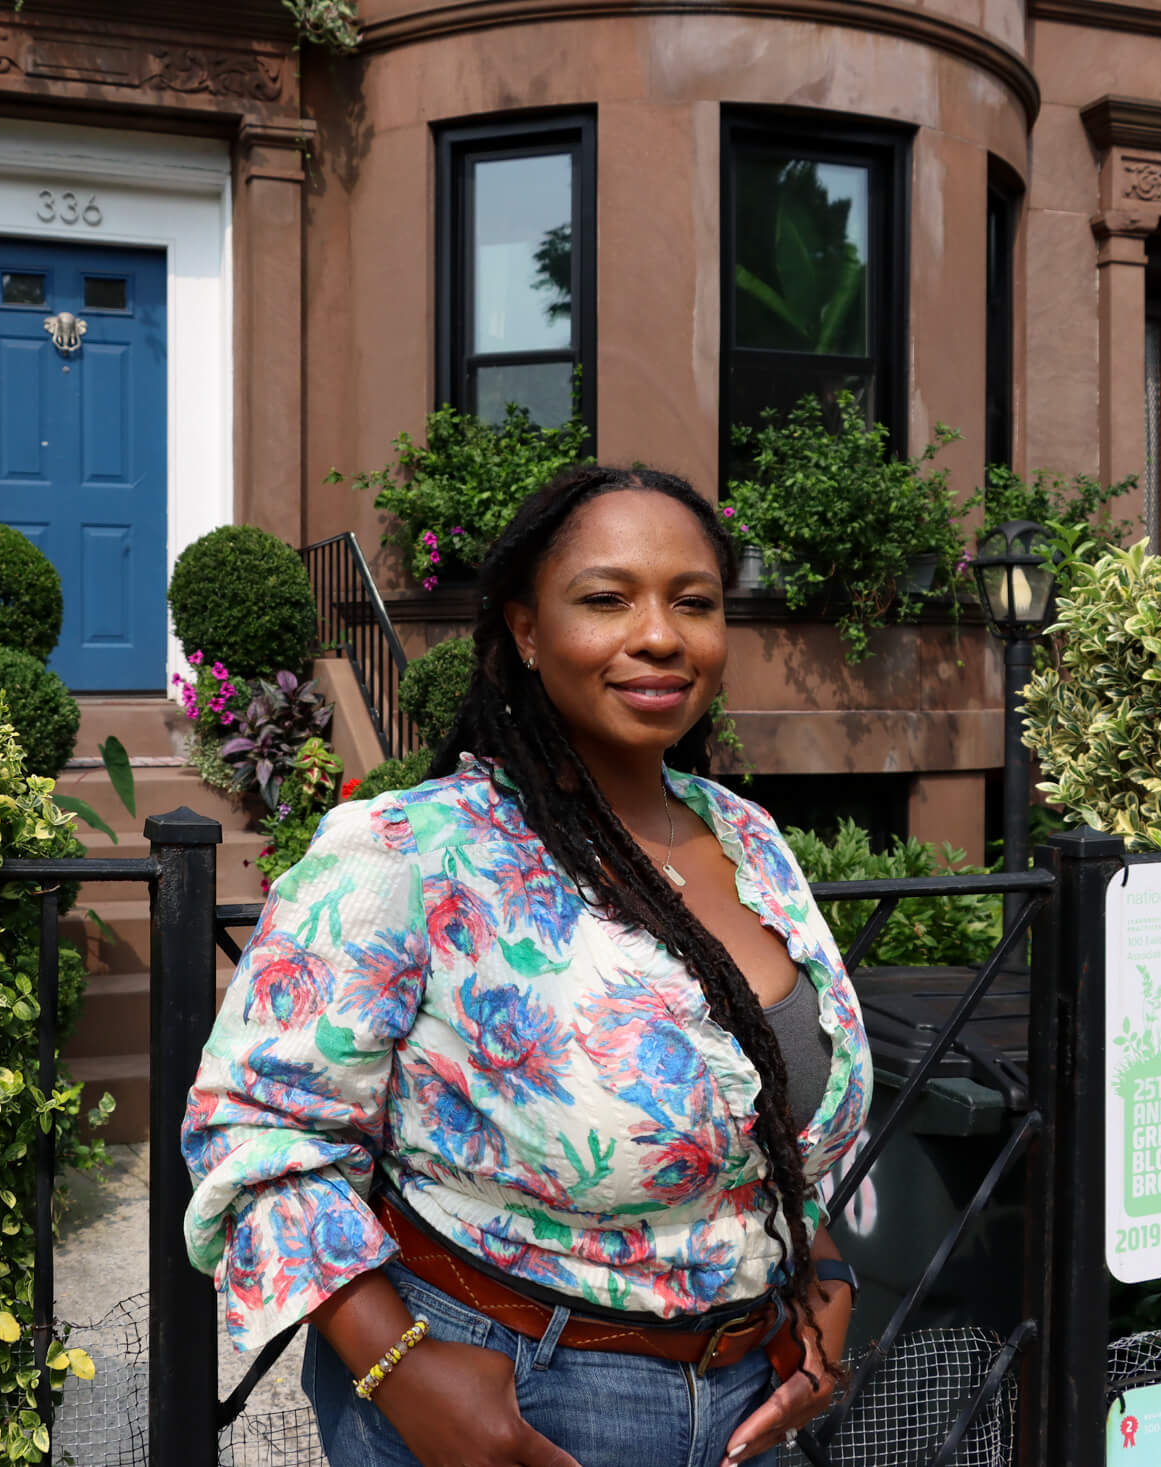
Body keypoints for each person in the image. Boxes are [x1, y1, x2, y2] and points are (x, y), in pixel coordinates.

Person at [182, 465, 873, 1467]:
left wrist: (825, 1275)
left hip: (749, 1398)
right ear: (524, 630)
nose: (659, 635)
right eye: (605, 599)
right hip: (511, 1399)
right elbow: (255, 1136)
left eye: (695, 602)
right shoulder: (412, 852)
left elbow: (780, 1110)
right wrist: (400, 1373)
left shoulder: (749, 839)